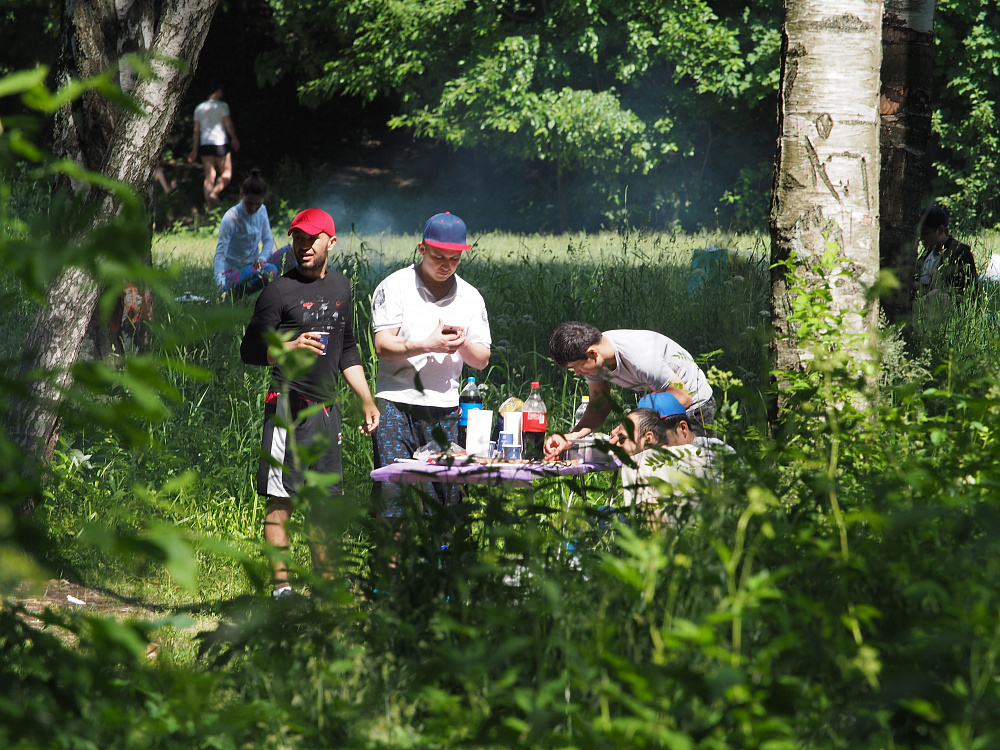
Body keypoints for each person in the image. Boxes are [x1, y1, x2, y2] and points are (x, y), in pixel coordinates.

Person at [240, 207, 379, 598]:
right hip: (288, 408)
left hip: (326, 411)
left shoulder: (341, 288)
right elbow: (249, 350)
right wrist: (289, 346)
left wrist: (365, 398)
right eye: (297, 239)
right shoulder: (278, 291)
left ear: (330, 243)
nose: (303, 246)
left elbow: (347, 347)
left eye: (311, 239)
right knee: (281, 501)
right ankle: (281, 588)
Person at [370, 212, 491, 515]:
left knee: (447, 498)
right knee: (394, 494)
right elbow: (382, 346)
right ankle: (392, 561)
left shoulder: (470, 297)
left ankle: (443, 559)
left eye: (454, 259)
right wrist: (428, 343)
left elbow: (482, 360)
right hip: (396, 402)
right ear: (422, 249)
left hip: (446, 407)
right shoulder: (395, 286)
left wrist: (460, 342)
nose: (446, 266)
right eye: (439, 257)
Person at [544, 322, 715, 459]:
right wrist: (570, 437)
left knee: (693, 473)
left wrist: (628, 426)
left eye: (577, 367)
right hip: (655, 402)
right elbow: (600, 404)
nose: (577, 373)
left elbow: (683, 396)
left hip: (692, 406)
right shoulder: (595, 361)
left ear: (592, 353)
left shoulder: (642, 358)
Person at [608, 393, 717, 527]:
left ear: (648, 439)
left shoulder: (639, 462)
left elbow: (658, 530)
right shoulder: (715, 452)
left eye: (622, 439)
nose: (617, 445)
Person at [214, 169, 293, 297]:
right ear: (241, 195)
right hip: (233, 272)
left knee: (293, 252)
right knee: (270, 271)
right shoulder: (231, 217)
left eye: (258, 204)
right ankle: (235, 293)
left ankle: (294, 293)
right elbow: (220, 254)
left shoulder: (262, 211)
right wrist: (221, 283)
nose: (253, 208)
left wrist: (262, 257)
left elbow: (268, 240)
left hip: (255, 265)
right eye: (249, 203)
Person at [187, 88, 240, 207]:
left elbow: (196, 131)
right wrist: (234, 138)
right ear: (216, 92)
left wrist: (194, 149)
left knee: (209, 175)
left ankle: (210, 207)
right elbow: (228, 124)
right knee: (226, 173)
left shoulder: (199, 108)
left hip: (205, 144)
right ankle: (214, 193)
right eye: (221, 91)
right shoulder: (222, 106)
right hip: (221, 144)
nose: (222, 94)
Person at [915, 206, 977, 299]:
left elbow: (965, 295)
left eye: (926, 233)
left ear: (940, 230)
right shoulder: (927, 254)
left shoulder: (959, 253)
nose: (922, 238)